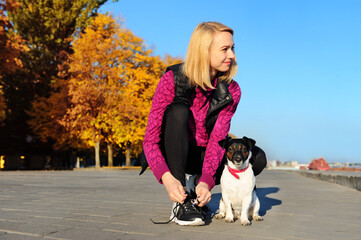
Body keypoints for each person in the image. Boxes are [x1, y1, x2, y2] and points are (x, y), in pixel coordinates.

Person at [143, 22, 266, 226]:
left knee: (258, 158)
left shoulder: (231, 91)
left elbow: (218, 138)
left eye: (232, 48)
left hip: (205, 155)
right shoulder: (171, 80)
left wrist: (206, 181)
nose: (232, 55)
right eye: (224, 49)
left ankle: (196, 185)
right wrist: (168, 179)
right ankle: (181, 199)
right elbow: (150, 141)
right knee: (178, 111)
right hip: (174, 152)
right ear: (203, 51)